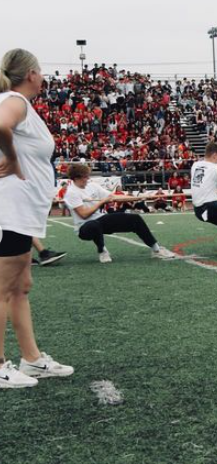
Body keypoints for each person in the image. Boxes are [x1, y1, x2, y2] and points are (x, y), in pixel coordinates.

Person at [0, 48, 73, 388]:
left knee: (20, 286)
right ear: (30, 73)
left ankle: (31, 360)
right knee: (2, 287)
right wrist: (13, 160)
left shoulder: (17, 102)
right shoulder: (15, 101)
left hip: (23, 210)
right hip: (10, 209)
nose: (43, 76)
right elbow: (2, 126)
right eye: (41, 70)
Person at [64, 164, 176, 263]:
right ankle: (102, 251)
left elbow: (113, 197)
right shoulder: (71, 192)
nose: (88, 179)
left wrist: (135, 198)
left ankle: (156, 249)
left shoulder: (92, 186)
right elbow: (84, 214)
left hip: (100, 219)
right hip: (84, 228)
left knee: (135, 219)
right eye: (85, 177)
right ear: (76, 178)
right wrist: (102, 202)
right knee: (94, 225)